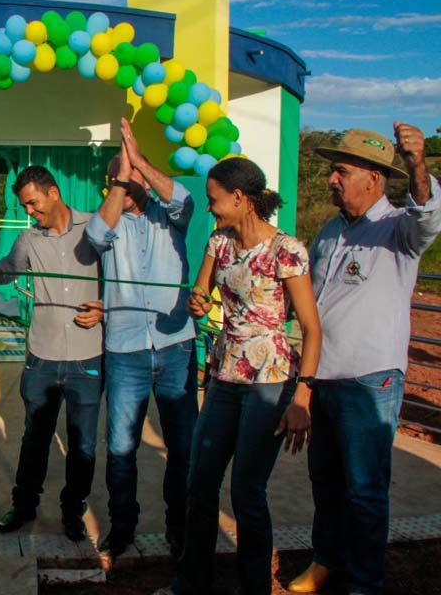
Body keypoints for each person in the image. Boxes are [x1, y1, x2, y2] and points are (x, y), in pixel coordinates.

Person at [157, 157, 322, 595]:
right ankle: (191, 582)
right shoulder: (219, 242)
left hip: (270, 382)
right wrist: (197, 302)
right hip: (224, 377)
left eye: (214, 200)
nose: (209, 208)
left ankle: (255, 587)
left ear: (240, 198)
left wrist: (301, 397)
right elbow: (202, 291)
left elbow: (310, 327)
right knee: (200, 482)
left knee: (247, 492)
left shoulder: (287, 250)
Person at [288, 123, 441, 595]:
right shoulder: (331, 232)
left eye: (340, 171)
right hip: (322, 377)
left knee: (365, 490)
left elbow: (430, 215)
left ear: (374, 178)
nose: (332, 179)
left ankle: (366, 582)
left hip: (370, 382)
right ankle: (326, 561)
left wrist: (417, 164)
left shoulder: (398, 229)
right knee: (326, 482)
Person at [84, 118, 198, 558]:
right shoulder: (108, 223)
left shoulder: (172, 218)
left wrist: (139, 158)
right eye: (128, 181)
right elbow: (94, 236)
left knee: (182, 446)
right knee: (121, 448)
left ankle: (179, 526)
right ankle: (123, 525)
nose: (138, 188)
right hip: (126, 350)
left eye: (139, 180)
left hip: (175, 345)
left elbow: (182, 198)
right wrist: (119, 180)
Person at [0, 165, 104, 542]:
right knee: (35, 439)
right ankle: (24, 504)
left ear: (53, 192)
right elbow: (9, 269)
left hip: (88, 357)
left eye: (32, 203)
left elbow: (118, 282)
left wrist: (105, 308)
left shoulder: (96, 230)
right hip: (43, 358)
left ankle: (72, 512)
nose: (29, 211)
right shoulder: (29, 239)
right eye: (24, 206)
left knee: (82, 444)